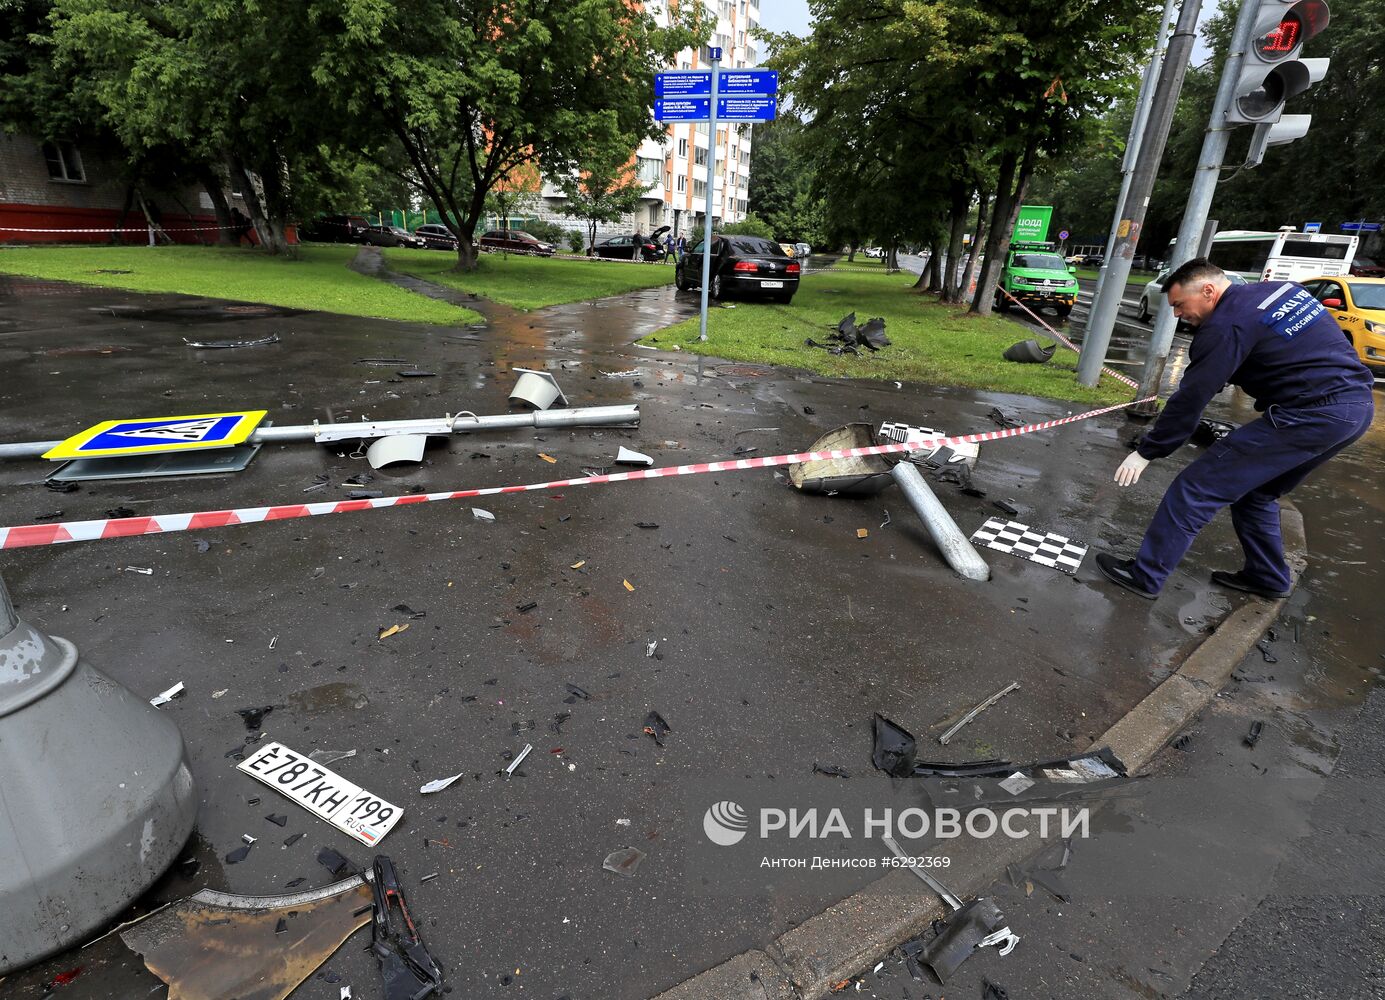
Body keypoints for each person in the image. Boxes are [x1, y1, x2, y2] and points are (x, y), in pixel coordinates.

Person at [1097, 257, 1374, 600]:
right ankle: (1267, 577)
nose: (1178, 314)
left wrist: (1147, 451)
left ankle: (1145, 576)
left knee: (1195, 488)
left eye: (1180, 304)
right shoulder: (1281, 291)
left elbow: (1192, 398)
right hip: (1355, 409)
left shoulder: (1226, 325)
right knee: (1257, 494)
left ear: (1208, 291)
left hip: (1311, 416)